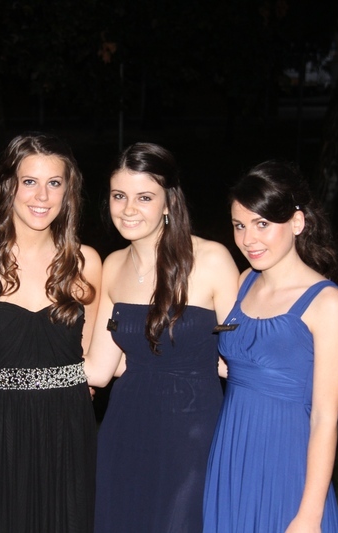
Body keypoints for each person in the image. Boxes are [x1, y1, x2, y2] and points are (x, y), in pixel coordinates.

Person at [0, 132, 103, 532]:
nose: (42, 196)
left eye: (55, 183)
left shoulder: (85, 263)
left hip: (64, 430)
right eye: (29, 181)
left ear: (68, 191)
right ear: (8, 186)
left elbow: (86, 359)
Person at [82, 142, 240, 532]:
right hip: (124, 428)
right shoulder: (113, 265)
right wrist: (17, 369)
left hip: (193, 432)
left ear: (168, 202)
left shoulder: (211, 259)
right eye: (119, 195)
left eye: (144, 197)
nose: (128, 209)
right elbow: (98, 369)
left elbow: (246, 351)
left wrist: (318, 376)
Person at [203, 160, 338, 532]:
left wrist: (309, 516)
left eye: (263, 224)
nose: (248, 239)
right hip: (232, 456)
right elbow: (236, 361)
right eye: (239, 225)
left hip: (288, 461)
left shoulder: (326, 302)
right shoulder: (244, 282)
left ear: (297, 222)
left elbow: (325, 418)